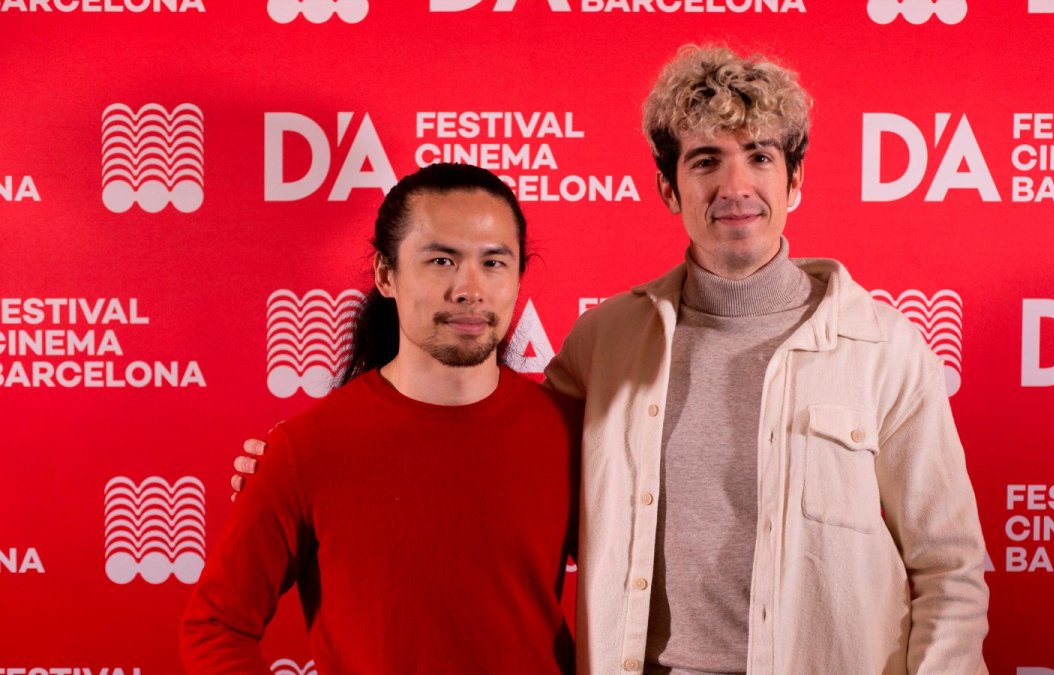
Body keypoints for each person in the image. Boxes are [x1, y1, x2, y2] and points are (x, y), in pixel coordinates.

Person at [235, 46, 989, 674]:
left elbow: (950, 569)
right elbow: (499, 459)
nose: (735, 186)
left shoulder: (885, 349)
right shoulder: (606, 343)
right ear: (668, 186)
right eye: (705, 161)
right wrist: (316, 464)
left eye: (759, 156)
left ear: (795, 180)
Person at [182, 163, 579, 673]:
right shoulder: (307, 449)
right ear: (386, 276)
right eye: (441, 260)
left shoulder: (574, 433)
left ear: (519, 274)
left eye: (495, 263)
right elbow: (216, 626)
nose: (470, 289)